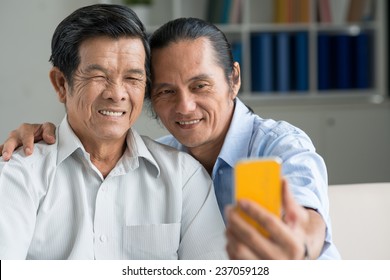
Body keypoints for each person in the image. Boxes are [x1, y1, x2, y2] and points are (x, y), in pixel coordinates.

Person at [0, 17, 340, 260]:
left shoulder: (277, 147)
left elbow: (308, 220)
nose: (185, 106)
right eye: (166, 90)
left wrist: (300, 245)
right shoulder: (173, 157)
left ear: (233, 79)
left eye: (200, 86)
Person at [0, 4, 227, 260]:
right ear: (62, 84)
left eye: (132, 78)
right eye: (99, 76)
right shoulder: (18, 175)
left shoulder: (184, 178)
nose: (117, 94)